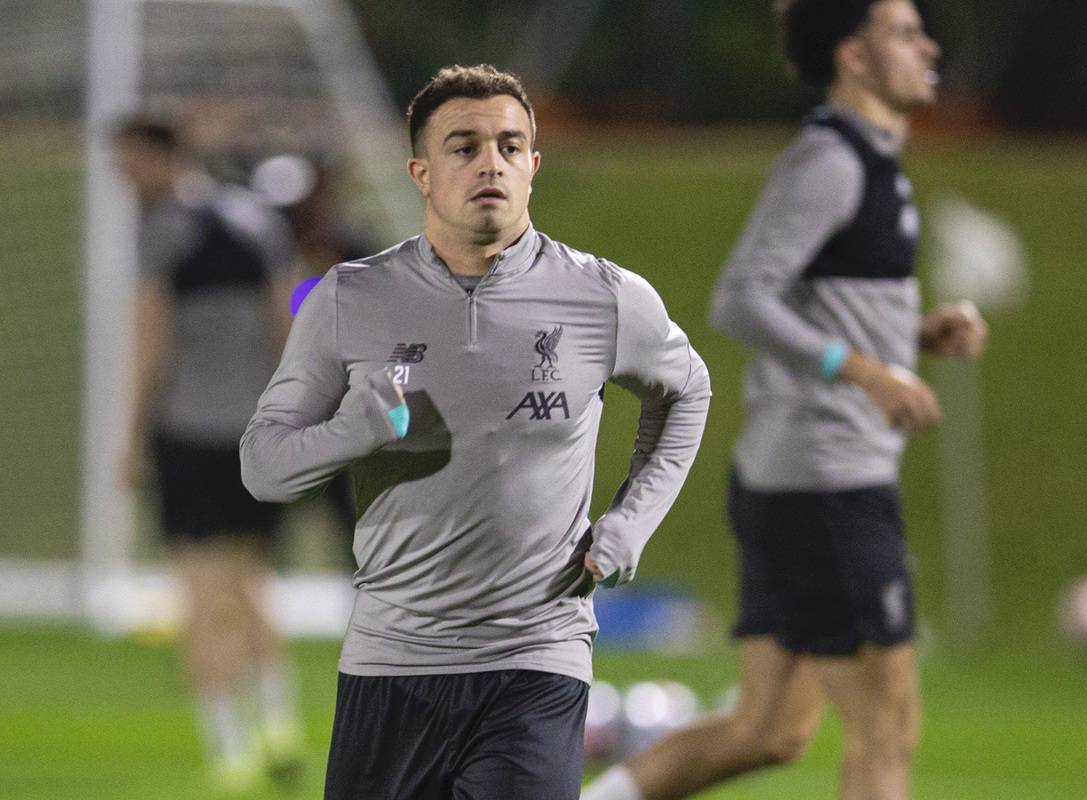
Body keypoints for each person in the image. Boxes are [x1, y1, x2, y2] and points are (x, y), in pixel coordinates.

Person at [239, 64, 711, 800]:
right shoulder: (347, 299)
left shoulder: (605, 297)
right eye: (464, 147)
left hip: (536, 659)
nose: (491, 161)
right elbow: (264, 468)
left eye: (510, 145)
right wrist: (353, 430)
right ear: (421, 174)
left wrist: (632, 520)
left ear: (533, 166)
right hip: (390, 665)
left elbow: (688, 393)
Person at [582, 2, 988, 800]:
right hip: (828, 486)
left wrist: (917, 340)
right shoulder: (830, 161)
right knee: (886, 730)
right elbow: (740, 298)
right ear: (855, 57)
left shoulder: (873, 161)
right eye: (905, 32)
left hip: (801, 484)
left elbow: (820, 311)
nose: (927, 44)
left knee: (768, 730)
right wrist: (868, 374)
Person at [115, 115, 305, 791]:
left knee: (200, 591)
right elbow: (292, 322)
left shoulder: (161, 230)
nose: (123, 175)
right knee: (248, 582)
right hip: (254, 434)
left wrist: (132, 439)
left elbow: (150, 344)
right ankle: (280, 721)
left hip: (189, 432)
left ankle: (231, 748)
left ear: (165, 156)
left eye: (130, 160)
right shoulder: (259, 222)